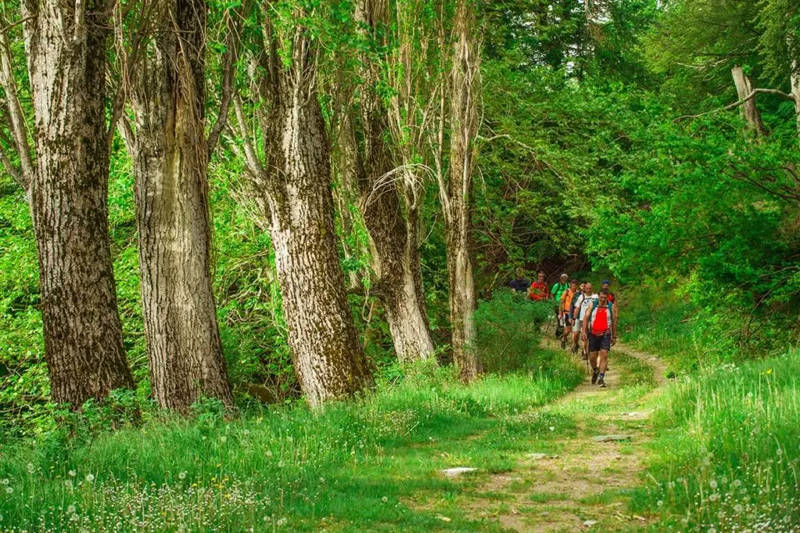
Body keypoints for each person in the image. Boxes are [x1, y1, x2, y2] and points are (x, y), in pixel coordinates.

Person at [583, 289, 617, 387]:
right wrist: (584, 332)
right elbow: (586, 317)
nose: (602, 299)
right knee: (592, 357)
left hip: (605, 334)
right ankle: (595, 370)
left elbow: (614, 321)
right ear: (598, 296)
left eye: (604, 298)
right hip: (593, 333)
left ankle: (601, 377)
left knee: (604, 354)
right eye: (601, 297)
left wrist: (614, 335)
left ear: (607, 297)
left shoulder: (611, 306)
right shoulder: (592, 305)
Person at [576, 282, 599, 360]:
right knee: (584, 335)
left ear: (592, 288)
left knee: (591, 336)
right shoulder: (581, 297)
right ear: (584, 289)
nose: (588, 290)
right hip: (583, 319)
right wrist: (574, 318)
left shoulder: (596, 296)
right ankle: (585, 351)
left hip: (593, 319)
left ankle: (589, 350)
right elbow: (577, 307)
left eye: (590, 288)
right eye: (587, 289)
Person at [570, 282, 589, 355]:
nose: (583, 287)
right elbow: (572, 306)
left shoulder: (591, 296)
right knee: (576, 333)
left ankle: (584, 351)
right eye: (582, 286)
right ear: (580, 287)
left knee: (584, 334)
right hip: (577, 317)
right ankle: (575, 344)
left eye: (585, 286)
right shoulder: (576, 295)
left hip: (585, 318)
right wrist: (571, 317)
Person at [560, 279, 578, 349]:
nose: (574, 287)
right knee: (568, 330)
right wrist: (560, 313)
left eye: (575, 286)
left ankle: (574, 345)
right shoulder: (566, 291)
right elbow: (561, 302)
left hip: (574, 313)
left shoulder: (578, 293)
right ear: (570, 285)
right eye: (572, 286)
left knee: (574, 330)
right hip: (567, 312)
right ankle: (563, 338)